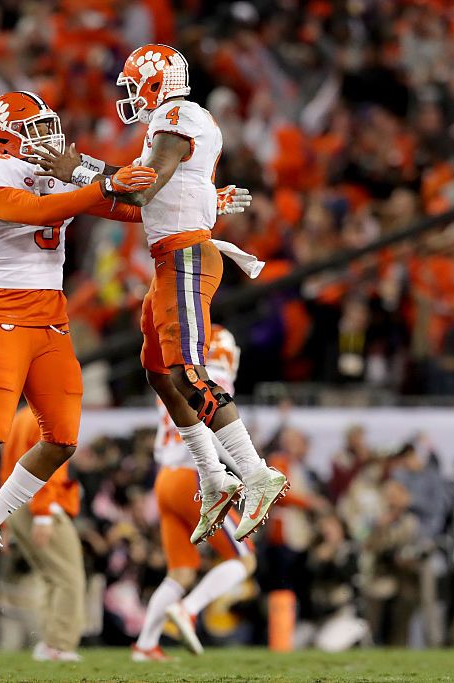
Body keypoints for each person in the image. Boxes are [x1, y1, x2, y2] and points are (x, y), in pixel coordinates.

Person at [33, 45, 287, 544]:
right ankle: (214, 477)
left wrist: (77, 172)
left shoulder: (177, 117)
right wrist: (80, 174)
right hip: (170, 259)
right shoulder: (171, 126)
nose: (128, 96)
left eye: (133, 85)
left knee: (186, 374)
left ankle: (256, 473)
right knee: (157, 372)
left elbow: (138, 193)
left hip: (187, 259)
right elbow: (138, 203)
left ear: (157, 83)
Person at [0, 91, 158, 591]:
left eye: (49, 125)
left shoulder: (52, 168)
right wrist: (98, 183)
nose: (46, 137)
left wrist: (194, 203)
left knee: (63, 440)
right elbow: (32, 210)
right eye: (34, 129)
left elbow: (132, 210)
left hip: (52, 315)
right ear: (4, 138)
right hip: (4, 310)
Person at [133, 326, 256, 662]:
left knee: (181, 570)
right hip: (192, 477)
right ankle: (187, 610)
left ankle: (145, 645)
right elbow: (215, 433)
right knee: (244, 558)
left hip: (165, 480)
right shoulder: (213, 381)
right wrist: (250, 468)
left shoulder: (180, 376)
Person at [0, 407, 85, 662]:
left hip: (18, 505)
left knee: (51, 578)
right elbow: (47, 467)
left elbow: (6, 469)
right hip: (41, 506)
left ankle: (50, 644)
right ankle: (58, 646)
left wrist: (4, 519)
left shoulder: (20, 417)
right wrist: (44, 513)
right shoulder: (48, 415)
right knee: (69, 579)